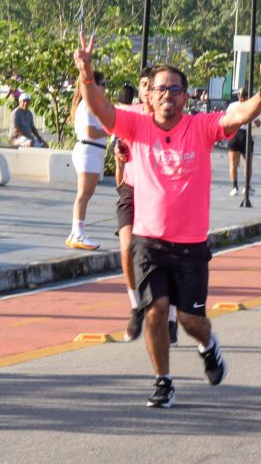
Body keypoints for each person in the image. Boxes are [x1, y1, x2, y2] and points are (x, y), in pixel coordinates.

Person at [74, 31, 261, 408]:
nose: (168, 94)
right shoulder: (136, 127)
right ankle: (162, 381)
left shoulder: (200, 128)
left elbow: (236, 114)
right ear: (149, 95)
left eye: (176, 89)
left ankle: (209, 346)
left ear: (186, 96)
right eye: (161, 89)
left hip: (191, 245)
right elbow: (102, 110)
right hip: (149, 242)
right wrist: (86, 74)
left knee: (190, 320)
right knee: (155, 311)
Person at [113, 69, 180, 345]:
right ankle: (135, 306)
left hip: (164, 192)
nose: (145, 90)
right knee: (127, 247)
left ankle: (172, 317)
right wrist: (118, 156)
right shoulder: (130, 115)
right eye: (143, 85)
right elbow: (120, 154)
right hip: (132, 188)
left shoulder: (171, 119)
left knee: (171, 257)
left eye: (150, 86)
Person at [65, 71, 108, 251]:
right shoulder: (87, 105)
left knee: (86, 194)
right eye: (103, 84)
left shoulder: (92, 105)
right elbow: (90, 131)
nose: (105, 88)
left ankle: (76, 232)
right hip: (88, 149)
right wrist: (110, 130)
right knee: (83, 195)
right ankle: (78, 233)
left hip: (93, 151)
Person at [227, 89, 255, 196]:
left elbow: (227, 118)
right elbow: (257, 123)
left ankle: (234, 187)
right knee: (248, 163)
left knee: (233, 164)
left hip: (234, 134)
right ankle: (246, 186)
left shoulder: (232, 106)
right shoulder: (251, 106)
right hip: (246, 134)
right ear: (247, 96)